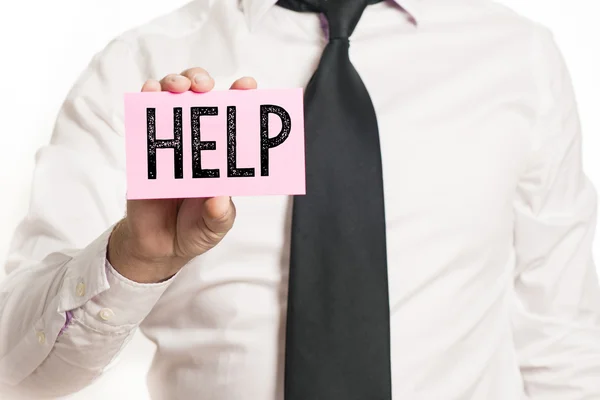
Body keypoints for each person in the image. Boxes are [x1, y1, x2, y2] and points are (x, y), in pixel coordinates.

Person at [1, 0, 600, 398]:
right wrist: (134, 260)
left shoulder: (517, 58)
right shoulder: (139, 66)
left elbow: (562, 340)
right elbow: (20, 371)